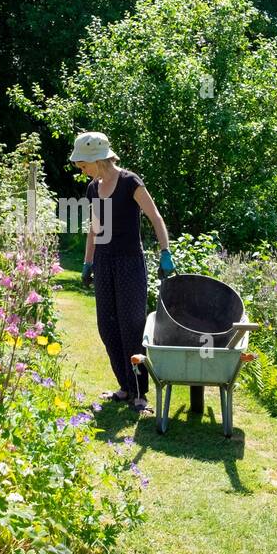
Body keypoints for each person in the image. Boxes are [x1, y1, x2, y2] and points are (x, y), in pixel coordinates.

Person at [70, 132, 174, 413]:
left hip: (130, 262)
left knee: (131, 326)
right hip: (104, 262)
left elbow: (155, 217)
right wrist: (88, 262)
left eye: (83, 164)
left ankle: (140, 393)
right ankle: (125, 387)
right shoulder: (93, 188)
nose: (82, 169)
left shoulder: (130, 182)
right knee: (108, 327)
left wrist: (165, 251)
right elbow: (94, 228)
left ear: (97, 159)